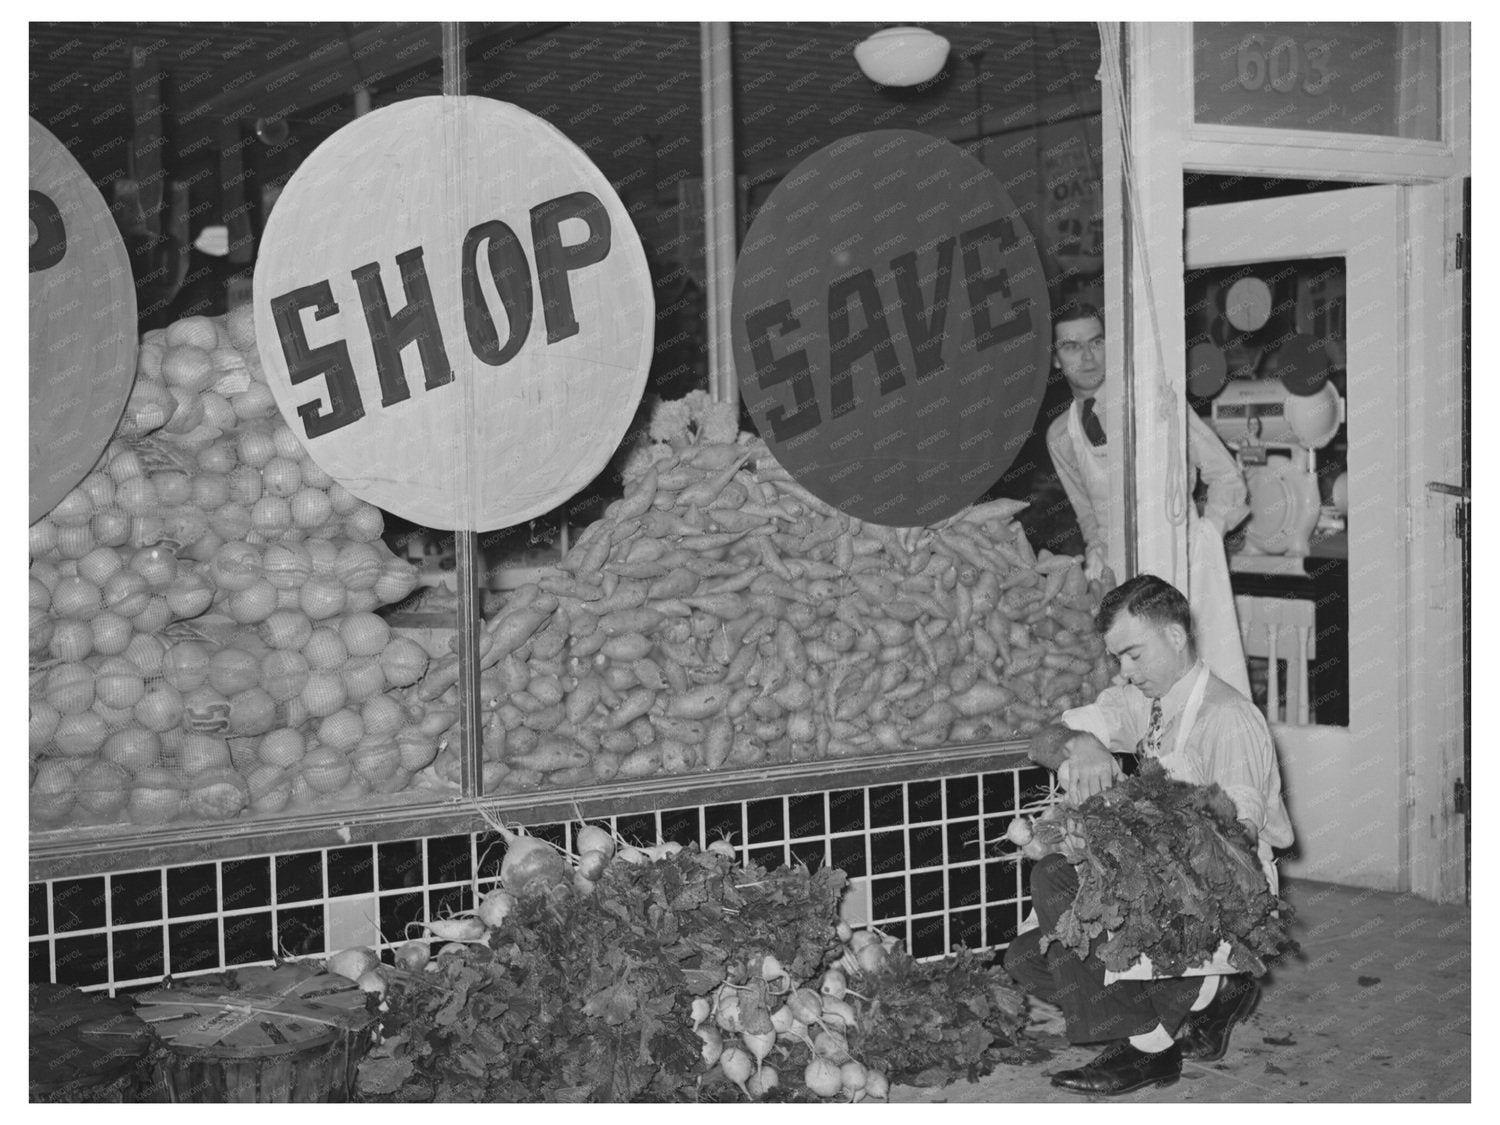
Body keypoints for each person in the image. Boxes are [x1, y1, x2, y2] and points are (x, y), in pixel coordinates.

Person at [1003, 574, 1293, 1096]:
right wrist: (1080, 746)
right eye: (1117, 659)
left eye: (1134, 655)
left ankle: (1151, 1047)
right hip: (1160, 887)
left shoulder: (1228, 719)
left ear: (1176, 636)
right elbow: (1041, 739)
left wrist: (1121, 861)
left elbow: (1236, 845)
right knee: (1025, 959)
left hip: (1217, 896)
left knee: (1055, 879)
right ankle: (1208, 993)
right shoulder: (1148, 703)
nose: (1125, 672)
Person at [1046, 302, 1252, 696]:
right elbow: (1087, 517)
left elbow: (1228, 478)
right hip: (1121, 584)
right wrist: (1097, 565)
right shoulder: (1060, 436)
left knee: (1203, 693)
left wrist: (1202, 536)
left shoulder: (1154, 405)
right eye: (1071, 346)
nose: (1087, 357)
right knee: (1134, 699)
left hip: (1183, 572)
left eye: (1097, 342)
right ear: (1056, 359)